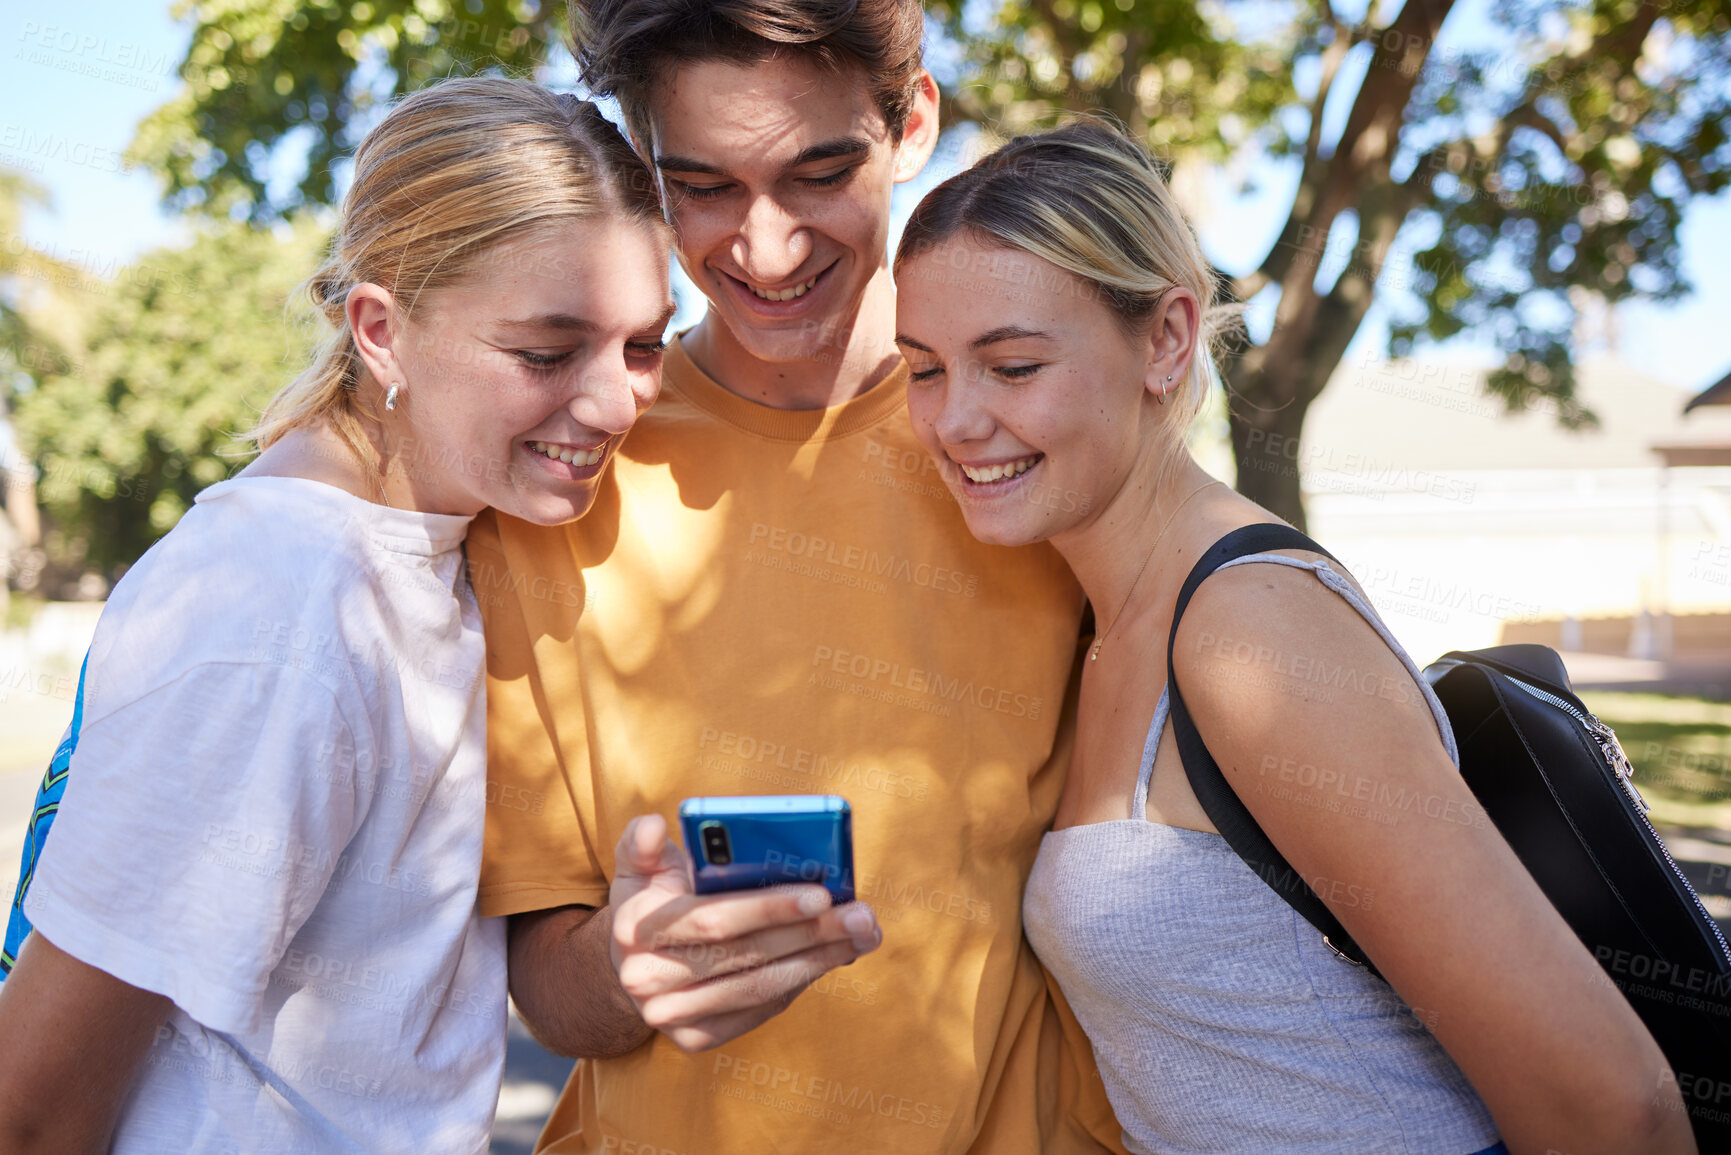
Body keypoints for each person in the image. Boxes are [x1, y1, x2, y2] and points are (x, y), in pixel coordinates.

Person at [890, 117, 1695, 1155]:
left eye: (1010, 366)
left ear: (1168, 338)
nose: (955, 421)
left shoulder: (1248, 633)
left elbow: (1612, 1105)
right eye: (924, 370)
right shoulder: (1096, 615)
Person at [469, 1, 1126, 1152]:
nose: (765, 251)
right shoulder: (557, 482)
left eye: (820, 174)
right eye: (705, 188)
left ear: (912, 125)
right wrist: (628, 972)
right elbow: (549, 988)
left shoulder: (1028, 449)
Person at [0, 77, 674, 1153]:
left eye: (645, 346)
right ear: (380, 330)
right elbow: (33, 1112)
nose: (617, 403)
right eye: (547, 352)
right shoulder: (286, 605)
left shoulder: (434, 547)